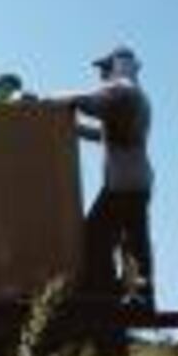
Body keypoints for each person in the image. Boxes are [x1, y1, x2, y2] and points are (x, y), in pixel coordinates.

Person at [60, 46, 156, 303]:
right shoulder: (134, 95)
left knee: (98, 239)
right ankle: (134, 293)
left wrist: (53, 101)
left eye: (105, 67)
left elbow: (87, 102)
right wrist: (74, 129)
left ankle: (112, 293)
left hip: (125, 184)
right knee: (129, 239)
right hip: (130, 181)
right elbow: (101, 135)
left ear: (118, 65)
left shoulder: (123, 91)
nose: (101, 73)